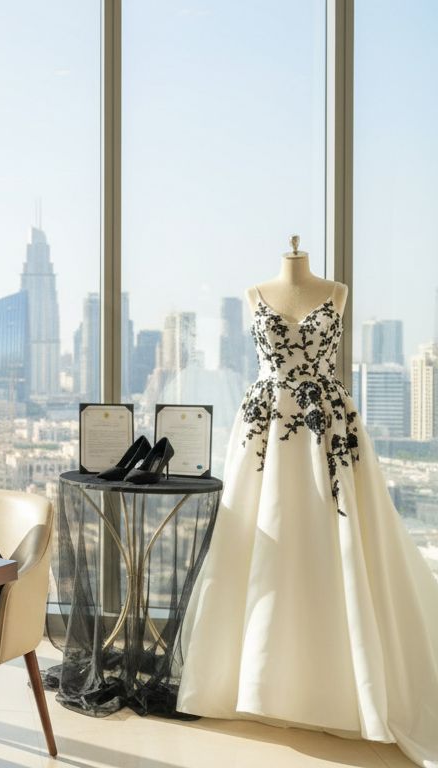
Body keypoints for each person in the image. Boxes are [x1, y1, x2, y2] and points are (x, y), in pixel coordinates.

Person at [178, 245, 438, 767]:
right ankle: (253, 685)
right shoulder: (254, 293)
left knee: (331, 542)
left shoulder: (336, 294)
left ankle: (340, 687)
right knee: (262, 545)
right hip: (264, 431)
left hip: (328, 427)